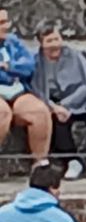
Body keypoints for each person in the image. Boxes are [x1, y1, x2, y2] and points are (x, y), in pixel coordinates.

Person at [31, 22, 86, 177]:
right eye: (49, 41)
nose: (54, 44)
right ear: (41, 43)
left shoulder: (74, 56)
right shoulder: (36, 61)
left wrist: (67, 104)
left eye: (56, 39)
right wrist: (55, 107)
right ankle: (72, 161)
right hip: (55, 104)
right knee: (52, 121)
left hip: (83, 100)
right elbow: (37, 89)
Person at [0, 9, 51, 162]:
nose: (5, 26)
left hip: (17, 90)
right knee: (2, 114)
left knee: (39, 112)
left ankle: (41, 164)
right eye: (1, 23)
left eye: (6, 21)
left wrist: (9, 67)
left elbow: (29, 66)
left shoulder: (13, 41)